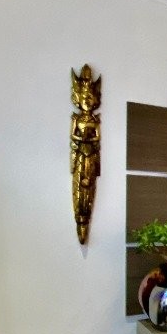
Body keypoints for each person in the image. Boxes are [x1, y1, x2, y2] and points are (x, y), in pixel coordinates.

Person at [70, 64, 101, 244]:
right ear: (78, 98)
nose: (87, 100)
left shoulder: (95, 120)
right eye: (84, 97)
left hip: (90, 154)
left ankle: (85, 220)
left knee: (89, 187)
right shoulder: (77, 119)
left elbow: (97, 137)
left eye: (90, 97)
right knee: (81, 188)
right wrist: (82, 138)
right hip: (81, 154)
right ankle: (81, 221)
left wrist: (89, 139)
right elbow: (73, 135)